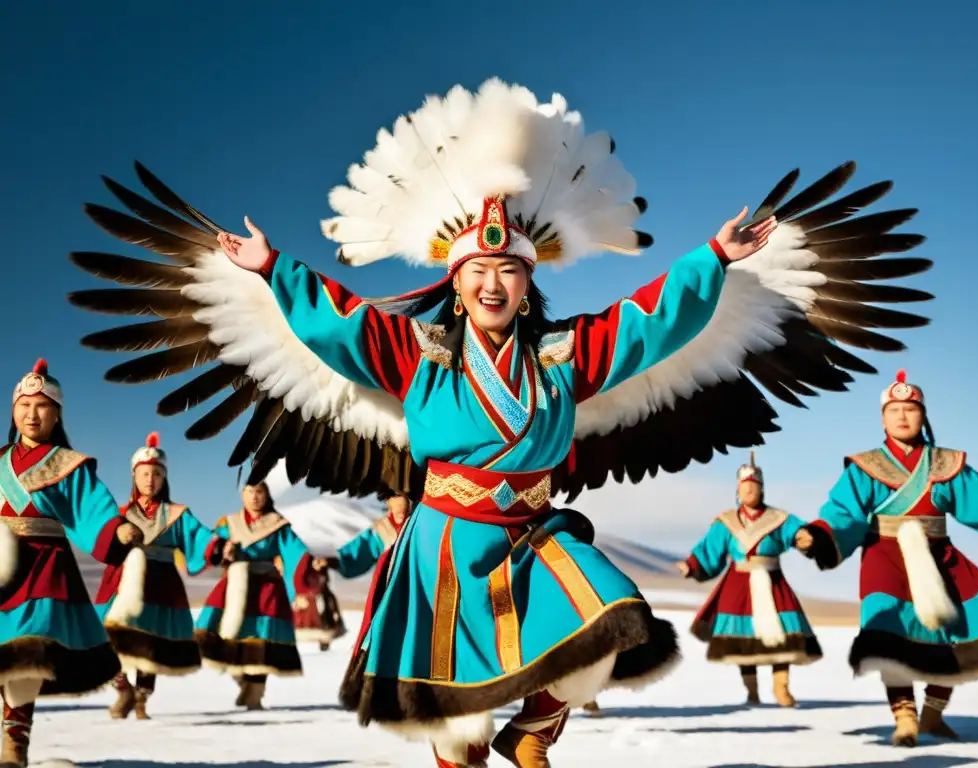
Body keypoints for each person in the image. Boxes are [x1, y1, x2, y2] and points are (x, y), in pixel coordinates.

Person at [70, 81, 932, 767]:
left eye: (507, 273)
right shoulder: (412, 356)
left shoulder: (568, 356)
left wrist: (715, 261)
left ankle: (535, 734)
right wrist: (270, 272)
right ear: (457, 282)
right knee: (454, 721)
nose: (492, 285)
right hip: (444, 541)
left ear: (528, 283)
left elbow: (651, 322)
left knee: (610, 624)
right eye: (477, 272)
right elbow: (335, 323)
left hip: (532, 533)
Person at [799, 370, 978, 747]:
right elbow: (844, 513)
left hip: (941, 558)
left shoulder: (946, 465)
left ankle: (934, 714)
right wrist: (821, 533)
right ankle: (905, 716)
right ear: (883, 417)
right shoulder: (865, 467)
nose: (902, 416)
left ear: (923, 415)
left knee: (958, 632)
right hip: (885, 557)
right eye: (894, 410)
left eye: (910, 409)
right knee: (888, 631)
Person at [0, 359, 143, 767]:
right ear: (12, 411)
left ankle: (14, 748)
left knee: (25, 655)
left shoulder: (69, 465)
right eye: (24, 405)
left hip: (43, 571)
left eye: (42, 405)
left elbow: (92, 507)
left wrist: (116, 529)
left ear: (57, 413)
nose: (32, 414)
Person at [96, 431, 228, 719]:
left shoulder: (177, 515)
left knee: (150, 644)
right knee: (102, 640)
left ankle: (142, 698)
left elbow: (200, 535)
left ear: (164, 477)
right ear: (134, 476)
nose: (150, 479)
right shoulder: (118, 513)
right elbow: (98, 535)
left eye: (156, 473)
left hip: (160, 585)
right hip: (122, 581)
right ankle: (123, 691)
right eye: (144, 473)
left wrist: (218, 546)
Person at [675, 453, 820, 707]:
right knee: (742, 642)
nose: (749, 491)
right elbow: (710, 549)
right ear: (737, 491)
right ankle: (751, 691)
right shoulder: (726, 523)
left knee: (782, 636)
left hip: (773, 582)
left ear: (762, 490)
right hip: (738, 586)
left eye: (754, 487)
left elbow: (798, 532)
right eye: (745, 487)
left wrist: (804, 537)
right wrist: (691, 566)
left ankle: (781, 688)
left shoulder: (779, 518)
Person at [194, 482, 329, 710]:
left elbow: (296, 552)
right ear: (242, 495)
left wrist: (310, 563)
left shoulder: (278, 526)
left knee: (261, 640)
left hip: (267, 589)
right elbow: (209, 545)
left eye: (260, 492)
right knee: (214, 633)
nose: (254, 497)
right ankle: (243, 682)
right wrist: (221, 549)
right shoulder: (230, 524)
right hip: (234, 586)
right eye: (249, 491)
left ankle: (255, 692)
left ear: (267, 495)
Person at [294, 492, 411, 651]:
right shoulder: (382, 530)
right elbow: (358, 553)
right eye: (394, 495)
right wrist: (333, 562)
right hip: (389, 589)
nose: (398, 500)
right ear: (387, 500)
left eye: (402, 495)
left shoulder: (420, 523)